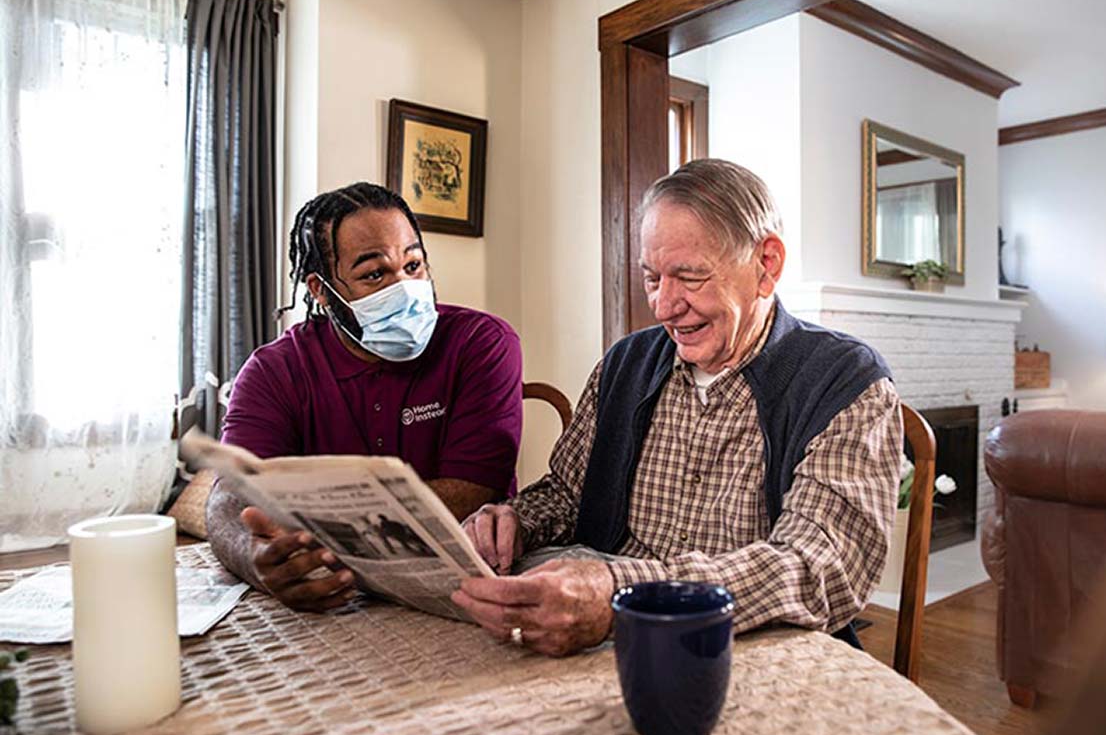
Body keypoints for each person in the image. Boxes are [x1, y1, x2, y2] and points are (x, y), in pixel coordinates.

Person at [453, 159, 902, 656]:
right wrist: (515, 522)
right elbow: (566, 492)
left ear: (766, 264)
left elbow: (818, 566)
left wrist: (626, 593)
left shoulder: (842, 381)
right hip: (604, 646)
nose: (664, 306)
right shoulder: (625, 365)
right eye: (651, 278)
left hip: (748, 649)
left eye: (689, 277)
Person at [207, 182, 523, 612]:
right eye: (375, 274)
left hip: (466, 583)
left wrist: (319, 545)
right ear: (321, 290)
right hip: (333, 600)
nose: (405, 289)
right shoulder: (273, 371)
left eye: (413, 265)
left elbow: (472, 492)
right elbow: (230, 497)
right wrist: (256, 558)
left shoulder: (481, 342)